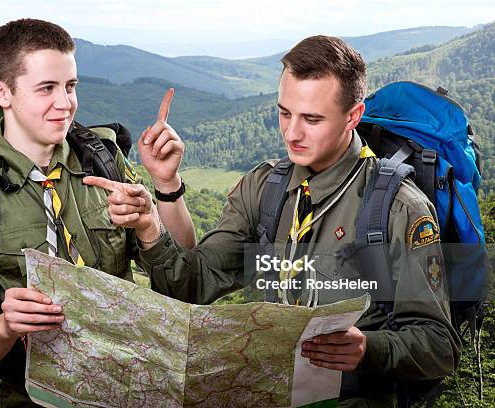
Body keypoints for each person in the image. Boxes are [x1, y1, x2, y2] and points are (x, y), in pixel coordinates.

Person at [90, 35, 462, 407]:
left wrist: (369, 347)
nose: (292, 133)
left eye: (312, 119)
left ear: (353, 116)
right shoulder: (265, 188)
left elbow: (440, 346)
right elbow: (193, 285)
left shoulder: (398, 209)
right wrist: (154, 217)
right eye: (285, 113)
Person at [0, 18, 193, 407]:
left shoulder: (102, 159)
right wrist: (4, 327)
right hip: (36, 398)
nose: (65, 103)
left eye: (70, 87)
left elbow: (185, 272)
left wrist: (161, 199)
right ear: (2, 92)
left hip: (136, 383)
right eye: (46, 88)